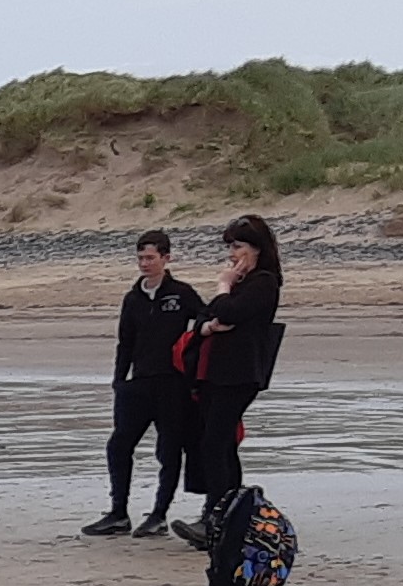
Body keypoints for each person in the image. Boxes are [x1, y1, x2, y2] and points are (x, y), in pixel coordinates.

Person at [169, 212, 283, 545]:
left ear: (257, 248)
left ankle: (217, 518)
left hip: (240, 374)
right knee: (220, 442)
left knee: (215, 442)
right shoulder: (244, 284)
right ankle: (229, 513)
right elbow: (210, 315)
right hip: (216, 373)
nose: (232, 254)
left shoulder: (264, 282)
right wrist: (207, 324)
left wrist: (223, 287)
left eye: (238, 246)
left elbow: (229, 312)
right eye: (230, 247)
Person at [83, 227, 200, 538]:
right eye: (140, 258)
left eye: (150, 258)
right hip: (138, 384)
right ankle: (118, 513)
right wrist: (119, 380)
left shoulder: (182, 293)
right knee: (119, 445)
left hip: (173, 386)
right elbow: (125, 342)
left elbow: (204, 327)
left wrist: (192, 373)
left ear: (166, 258)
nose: (145, 263)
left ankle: (159, 514)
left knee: (169, 449)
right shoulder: (133, 298)